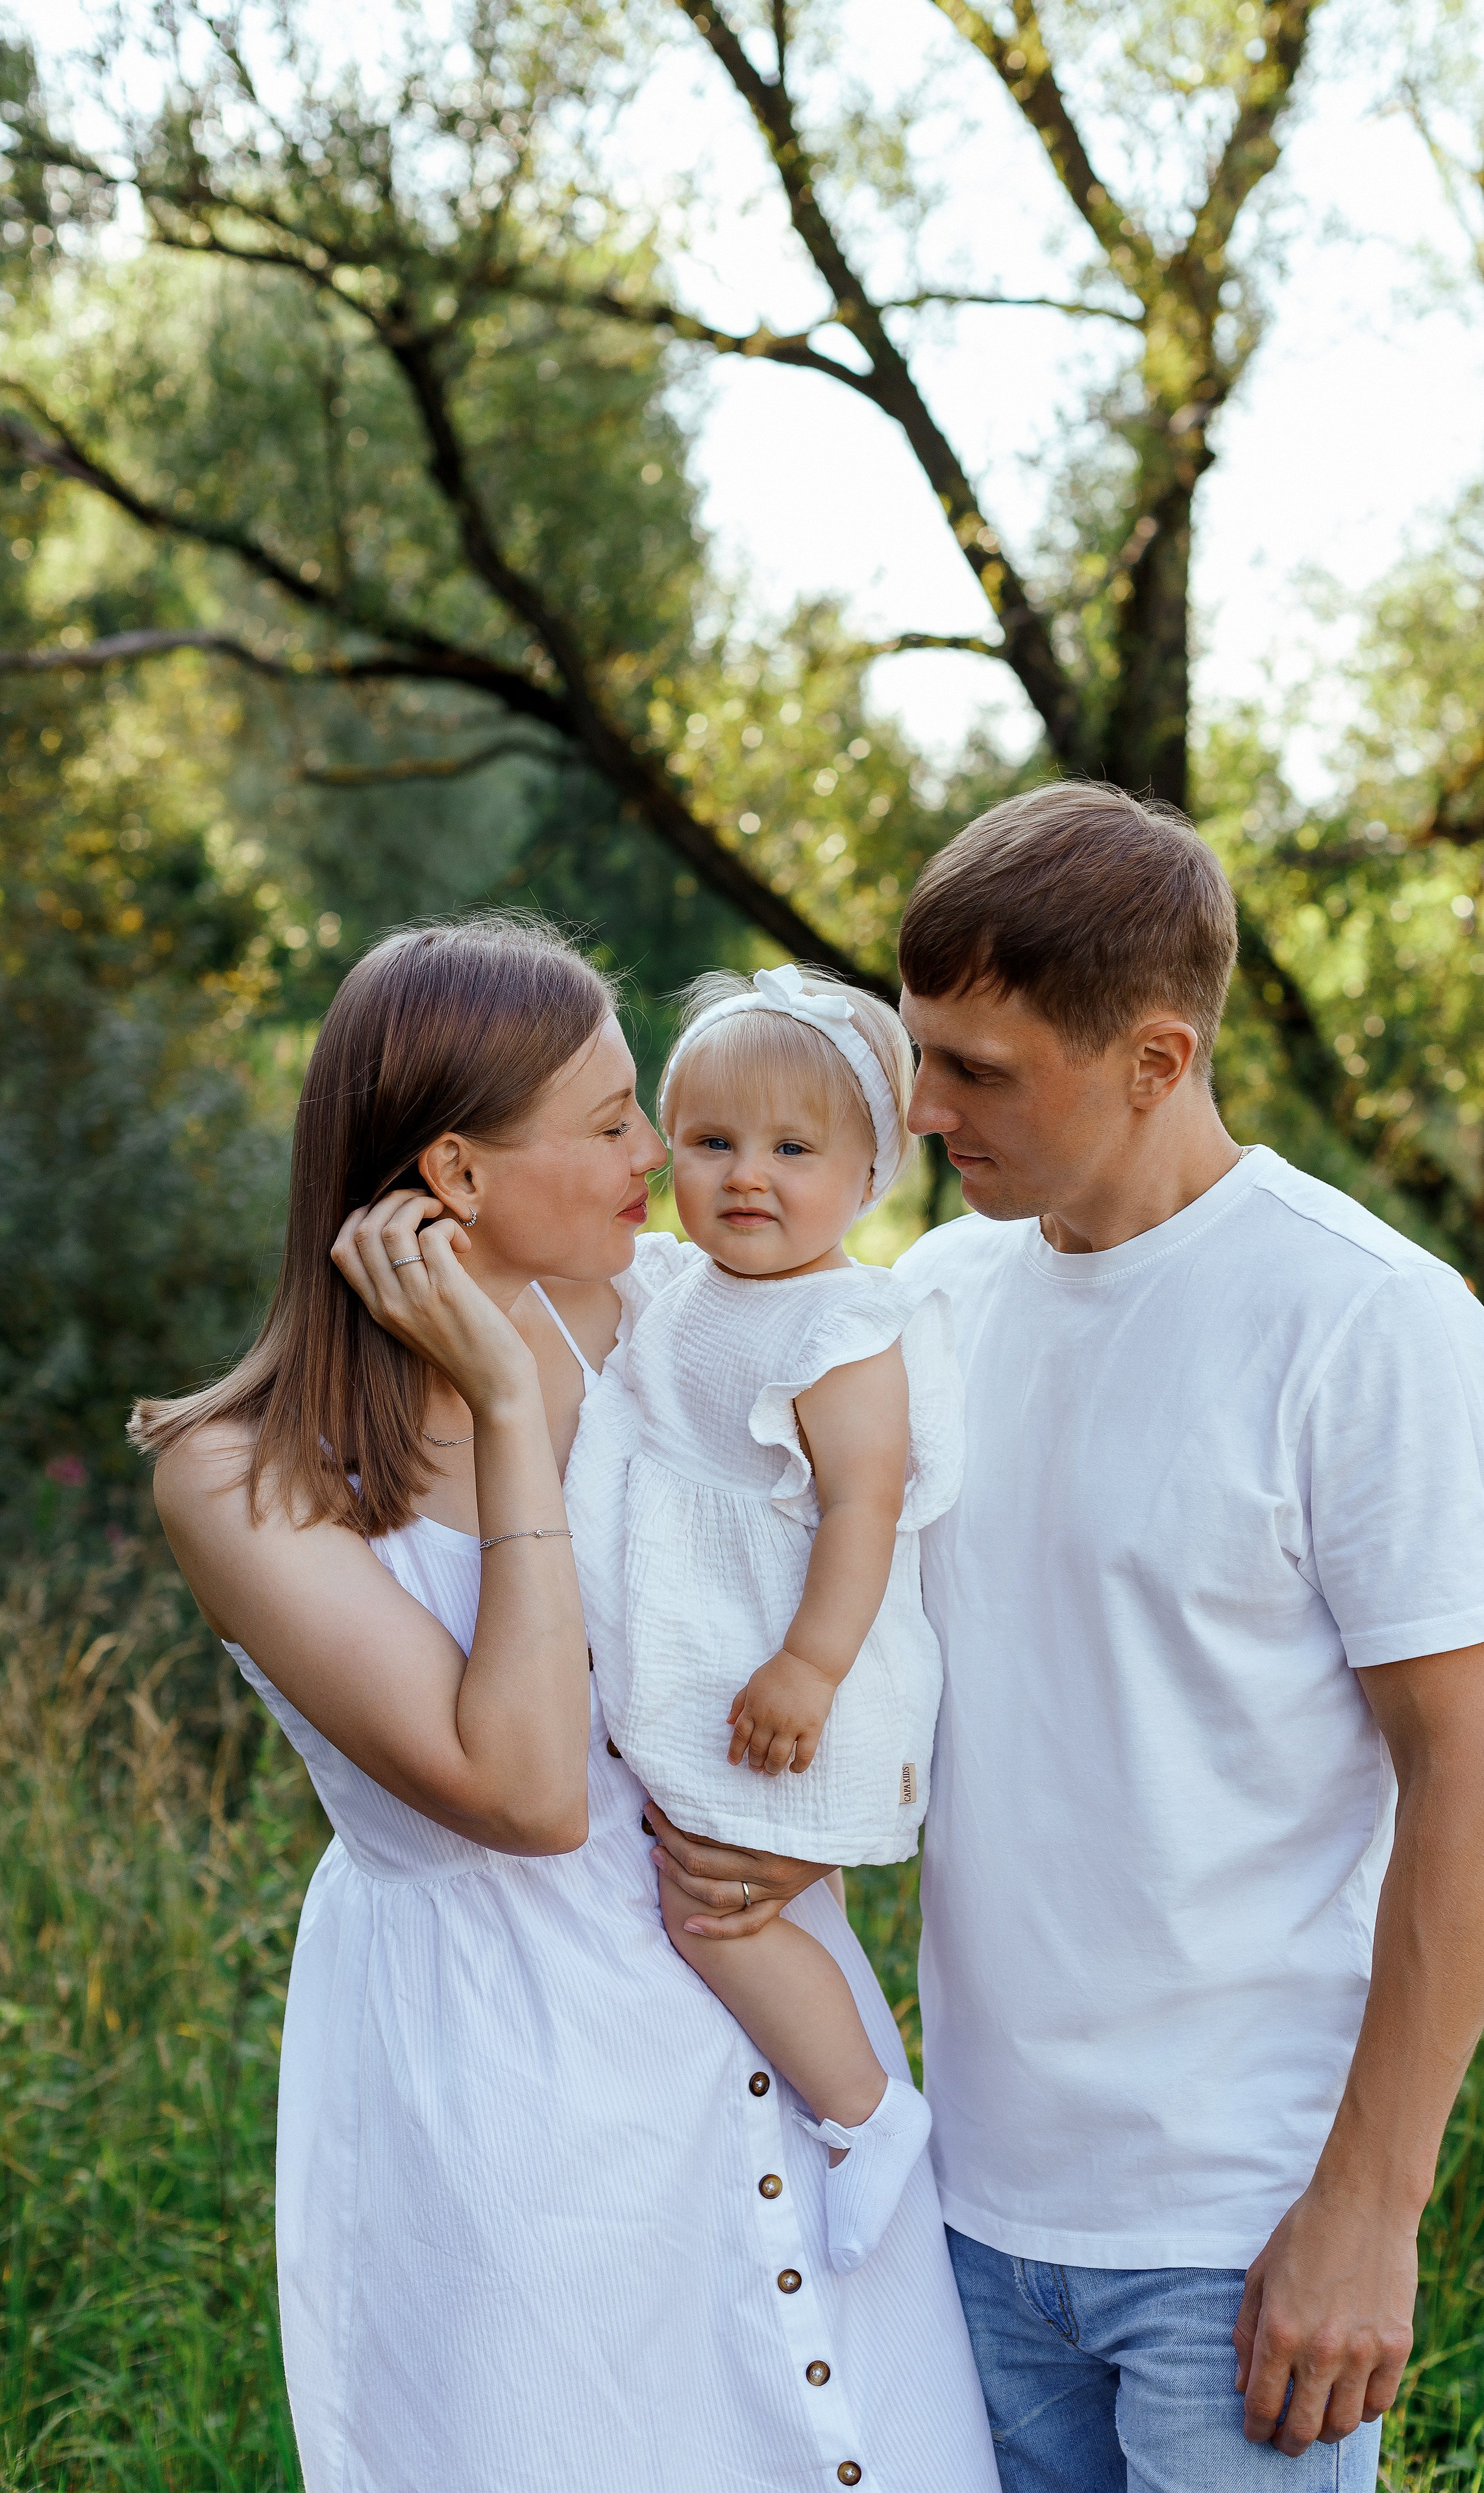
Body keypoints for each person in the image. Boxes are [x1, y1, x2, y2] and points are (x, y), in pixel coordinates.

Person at [651, 788, 1484, 2489]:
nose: (918, 1111)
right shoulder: (934, 1309)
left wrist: (1369, 2208)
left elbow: (1474, 1783)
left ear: (1157, 1056)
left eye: (977, 1070)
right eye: (920, 1053)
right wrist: (783, 1851)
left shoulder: (1368, 1324)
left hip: (1238, 2234)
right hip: (957, 2200)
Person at [130, 913, 1000, 2493]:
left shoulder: (691, 1318)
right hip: (514, 2069)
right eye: (609, 1123)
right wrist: (503, 1407)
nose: (659, 1150)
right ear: (454, 1178)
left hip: (764, 1990)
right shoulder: (241, 1477)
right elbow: (528, 1791)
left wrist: (821, 1817)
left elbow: (883, 1569)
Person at [580, 962, 955, 2274]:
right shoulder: (680, 1286)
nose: (750, 1174)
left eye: (794, 1149)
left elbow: (863, 1510)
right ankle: (793, 2127)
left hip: (799, 1672)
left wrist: (807, 1664)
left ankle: (864, 2117)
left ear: (867, 1180)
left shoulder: (844, 1324)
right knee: (723, 1905)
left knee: (714, 1909)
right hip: (717, 1646)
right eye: (713, 1141)